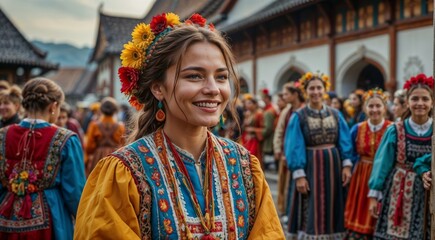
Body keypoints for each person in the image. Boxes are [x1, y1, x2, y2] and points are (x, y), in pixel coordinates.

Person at [74, 13, 284, 239]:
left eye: (221, 77)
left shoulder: (244, 167)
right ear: (158, 88)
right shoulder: (125, 173)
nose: (213, 88)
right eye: (194, 76)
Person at [0, 77, 85, 239]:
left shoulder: (3, 135)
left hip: (6, 218)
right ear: (53, 106)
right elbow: (74, 192)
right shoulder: (66, 139)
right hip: (52, 218)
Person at [284, 72, 353, 239]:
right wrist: (299, 174)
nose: (315, 92)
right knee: (311, 202)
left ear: (325, 90)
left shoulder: (336, 114)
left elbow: (344, 139)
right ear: (306, 91)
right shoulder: (299, 116)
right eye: (311, 88)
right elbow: (294, 145)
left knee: (334, 202)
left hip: (333, 167)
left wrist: (346, 165)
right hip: (310, 167)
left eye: (319, 88)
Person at [368, 73, 433, 239]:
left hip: (430, 191)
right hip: (400, 191)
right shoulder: (395, 130)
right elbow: (382, 163)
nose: (420, 103)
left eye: (425, 99)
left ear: (432, 103)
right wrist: (374, 196)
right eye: (415, 99)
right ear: (408, 103)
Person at [344, 88, 392, 239]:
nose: (375, 109)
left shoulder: (392, 128)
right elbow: (350, 152)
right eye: (371, 106)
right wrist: (347, 168)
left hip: (384, 175)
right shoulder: (357, 128)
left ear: (385, 108)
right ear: (365, 108)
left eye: (378, 106)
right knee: (361, 209)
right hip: (362, 174)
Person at [273, 82, 305, 217]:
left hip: (301, 156)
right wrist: (278, 149)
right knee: (284, 185)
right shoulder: (286, 111)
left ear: (295, 94)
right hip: (285, 155)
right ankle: (285, 210)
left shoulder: (305, 110)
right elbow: (279, 131)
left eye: (287, 94)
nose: (284, 97)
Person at [85, 97, 125, 176]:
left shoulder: (94, 125)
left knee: (97, 180)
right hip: (114, 157)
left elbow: (89, 146)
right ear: (115, 110)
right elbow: (123, 145)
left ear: (101, 110)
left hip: (98, 157)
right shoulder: (120, 126)